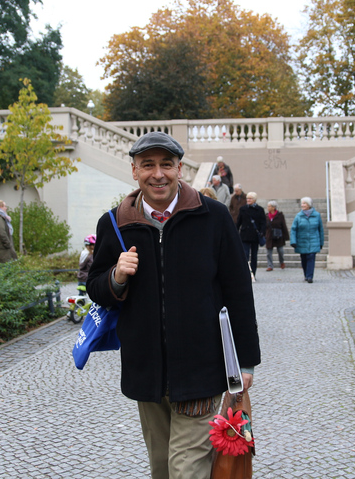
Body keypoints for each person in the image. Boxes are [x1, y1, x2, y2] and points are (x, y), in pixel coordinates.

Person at [87, 131, 261, 479]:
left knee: (186, 471)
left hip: (201, 369)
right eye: (148, 165)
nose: (158, 174)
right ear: (134, 170)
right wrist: (116, 277)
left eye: (167, 164)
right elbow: (96, 288)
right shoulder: (116, 222)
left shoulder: (212, 216)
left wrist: (247, 362)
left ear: (179, 168)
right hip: (146, 372)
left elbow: (238, 291)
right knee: (162, 469)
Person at [290, 197, 324, 283]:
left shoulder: (317, 215)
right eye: (302, 203)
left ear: (309, 205)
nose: (302, 205)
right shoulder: (298, 216)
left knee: (311, 257)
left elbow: (321, 230)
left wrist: (321, 242)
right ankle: (306, 274)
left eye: (304, 203)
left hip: (313, 240)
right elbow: (293, 229)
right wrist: (293, 241)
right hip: (302, 241)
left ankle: (310, 276)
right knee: (304, 259)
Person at [236, 192, 266, 278]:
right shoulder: (243, 209)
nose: (248, 200)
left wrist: (262, 232)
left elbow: (263, 222)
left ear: (254, 200)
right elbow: (239, 222)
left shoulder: (260, 209)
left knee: (254, 256)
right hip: (245, 235)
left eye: (250, 198)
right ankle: (245, 273)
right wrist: (235, 231)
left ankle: (253, 273)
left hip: (255, 235)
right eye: (247, 198)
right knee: (245, 255)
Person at [265, 201, 289, 271]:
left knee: (280, 251)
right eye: (268, 206)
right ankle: (270, 265)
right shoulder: (266, 216)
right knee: (268, 252)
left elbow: (283, 225)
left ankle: (281, 262)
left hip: (278, 235)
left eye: (269, 206)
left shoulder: (280, 215)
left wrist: (286, 236)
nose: (268, 208)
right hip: (269, 235)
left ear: (273, 207)